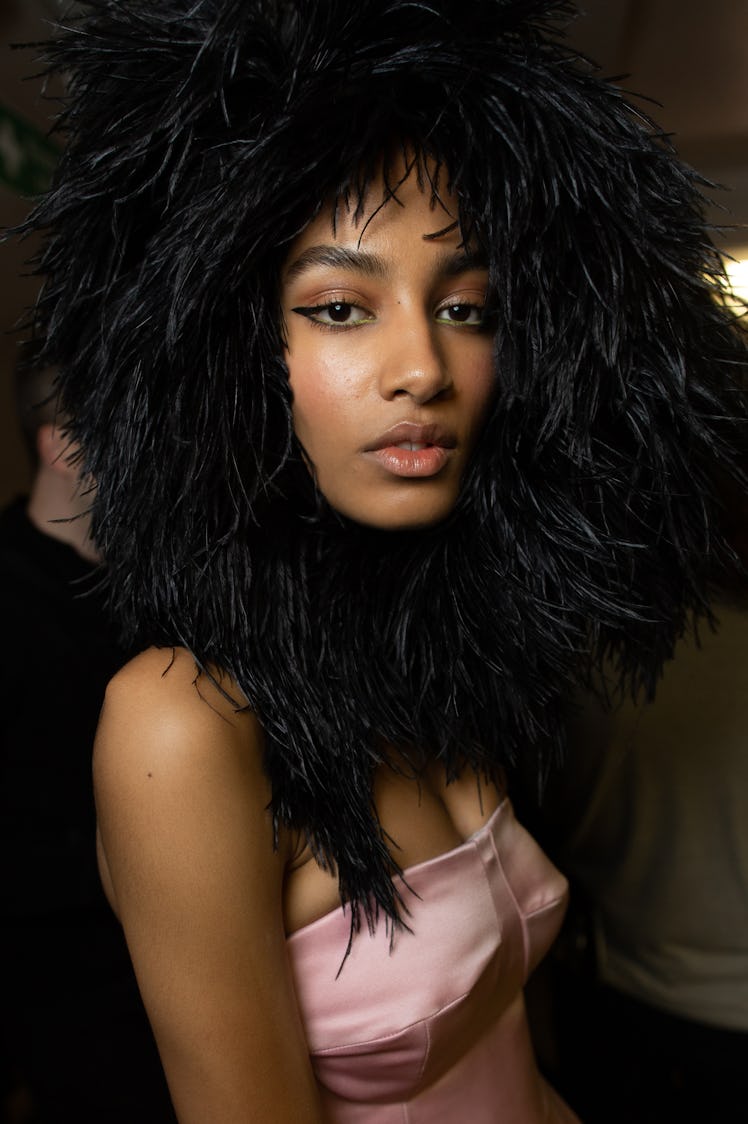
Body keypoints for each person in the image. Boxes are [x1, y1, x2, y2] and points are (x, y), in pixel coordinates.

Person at [18, 1, 747, 1120]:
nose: (423, 365)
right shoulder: (181, 723)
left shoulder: (429, 663)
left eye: (463, 304)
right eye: (341, 306)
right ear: (232, 354)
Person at [0, 348, 176, 1123]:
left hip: (181, 984)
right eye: (127, 434)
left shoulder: (159, 591)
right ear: (61, 446)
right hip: (74, 1014)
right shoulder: (8, 602)